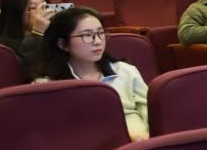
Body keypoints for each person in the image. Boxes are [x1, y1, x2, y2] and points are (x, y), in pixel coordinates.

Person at [36, 7, 149, 140]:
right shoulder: (48, 86)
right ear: (62, 44)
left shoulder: (126, 71)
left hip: (139, 142)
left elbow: (150, 112)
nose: (98, 41)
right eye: (87, 35)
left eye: (100, 33)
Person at [0, 0, 50, 76]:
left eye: (44, 5)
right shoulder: (5, 47)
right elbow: (34, 71)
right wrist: (37, 33)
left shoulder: (52, 33)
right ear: (15, 13)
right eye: (32, 7)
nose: (42, 11)